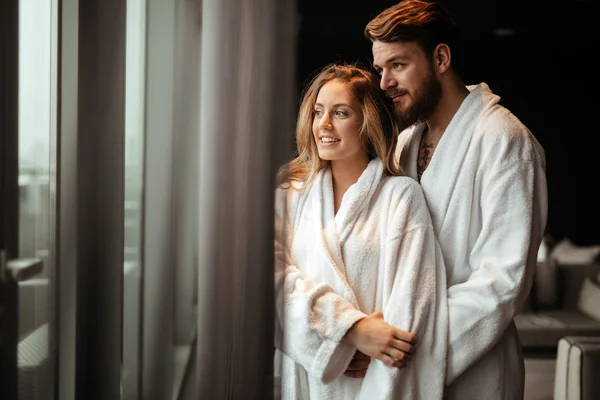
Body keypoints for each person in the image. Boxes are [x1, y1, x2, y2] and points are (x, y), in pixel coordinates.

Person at [358, 1, 548, 399]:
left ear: (440, 58)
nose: (384, 83)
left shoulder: (505, 140)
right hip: (401, 355)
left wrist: (413, 350)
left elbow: (502, 281)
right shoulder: (407, 143)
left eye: (398, 65)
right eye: (380, 69)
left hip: (472, 368)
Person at [273, 63, 448, 399]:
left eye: (340, 113)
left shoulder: (400, 196)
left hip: (375, 382)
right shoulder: (289, 194)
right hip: (308, 382)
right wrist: (350, 330)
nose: (323, 124)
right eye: (318, 112)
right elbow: (270, 284)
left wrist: (374, 342)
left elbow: (413, 304)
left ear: (368, 123)